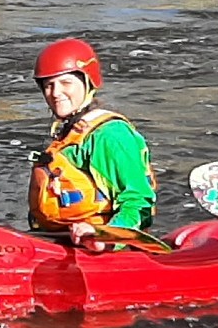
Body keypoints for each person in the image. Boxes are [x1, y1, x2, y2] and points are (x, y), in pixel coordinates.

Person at [27, 37, 157, 250]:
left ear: (87, 83)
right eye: (49, 85)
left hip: (101, 249)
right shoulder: (68, 134)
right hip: (60, 241)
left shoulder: (110, 135)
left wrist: (105, 237)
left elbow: (139, 201)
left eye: (65, 82)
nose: (55, 93)